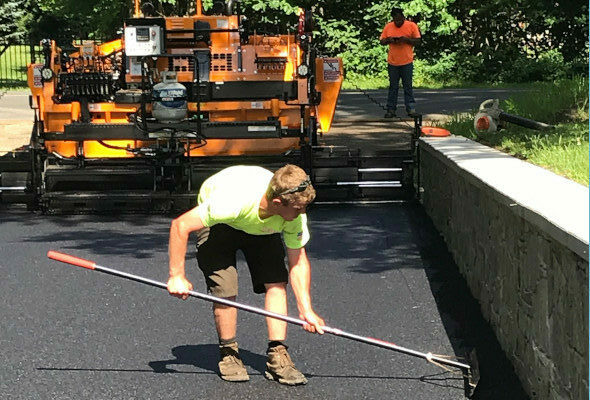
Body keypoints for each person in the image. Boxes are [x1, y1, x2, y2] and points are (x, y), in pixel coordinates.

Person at [166, 164, 325, 386]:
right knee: (225, 288)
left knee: (276, 282)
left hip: (262, 225)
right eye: (298, 208)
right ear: (278, 203)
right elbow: (180, 225)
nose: (302, 213)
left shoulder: (293, 215)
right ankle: (229, 352)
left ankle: (277, 353)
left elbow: (297, 261)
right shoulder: (230, 203)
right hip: (223, 223)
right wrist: (177, 275)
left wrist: (306, 309)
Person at [380, 7, 421, 118]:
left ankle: (411, 109)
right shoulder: (388, 26)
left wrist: (406, 40)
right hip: (393, 62)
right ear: (393, 19)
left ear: (403, 17)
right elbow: (382, 41)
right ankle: (391, 109)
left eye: (400, 20)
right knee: (393, 87)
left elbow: (418, 41)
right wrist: (390, 40)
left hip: (407, 61)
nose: (398, 22)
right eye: (395, 20)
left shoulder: (411, 25)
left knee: (408, 86)